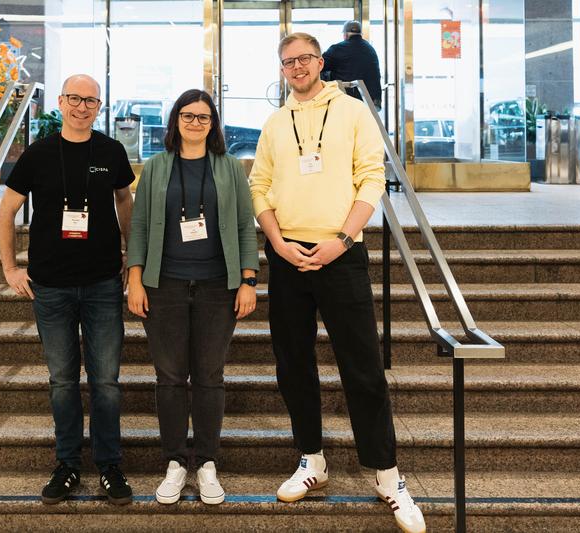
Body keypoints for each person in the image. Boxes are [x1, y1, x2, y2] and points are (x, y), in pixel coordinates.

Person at [249, 33, 426, 533]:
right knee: (293, 366)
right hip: (287, 257)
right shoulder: (276, 123)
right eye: (287, 62)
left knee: (363, 368)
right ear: (282, 69)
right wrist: (279, 244)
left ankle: (387, 474)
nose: (297, 67)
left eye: (304, 58)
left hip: (341, 253)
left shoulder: (350, 112)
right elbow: (258, 184)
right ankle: (312, 461)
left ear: (320, 62)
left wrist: (344, 240)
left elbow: (371, 177)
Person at [0, 74, 135, 506]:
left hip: (102, 283)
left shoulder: (111, 151)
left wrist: (132, 257)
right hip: (51, 285)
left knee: (107, 381)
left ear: (99, 106)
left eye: (90, 101)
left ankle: (110, 465)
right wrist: (9, 268)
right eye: (74, 98)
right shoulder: (38, 153)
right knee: (62, 381)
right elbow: (6, 211)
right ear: (60, 101)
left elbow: (124, 200)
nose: (82, 107)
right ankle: (68, 464)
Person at [127, 88, 259, 506]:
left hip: (217, 286)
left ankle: (205, 461)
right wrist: (134, 278)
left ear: (213, 124)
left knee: (209, 376)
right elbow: (142, 225)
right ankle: (174, 461)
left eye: (204, 117)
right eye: (188, 115)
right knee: (168, 377)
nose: (196, 123)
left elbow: (244, 225)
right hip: (163, 284)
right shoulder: (156, 166)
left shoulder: (230, 168)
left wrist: (249, 280)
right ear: (175, 121)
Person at [321, 20, 382, 110]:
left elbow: (320, 66)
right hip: (369, 101)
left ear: (345, 35)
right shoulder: (370, 49)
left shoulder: (337, 49)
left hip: (345, 100)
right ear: (360, 34)